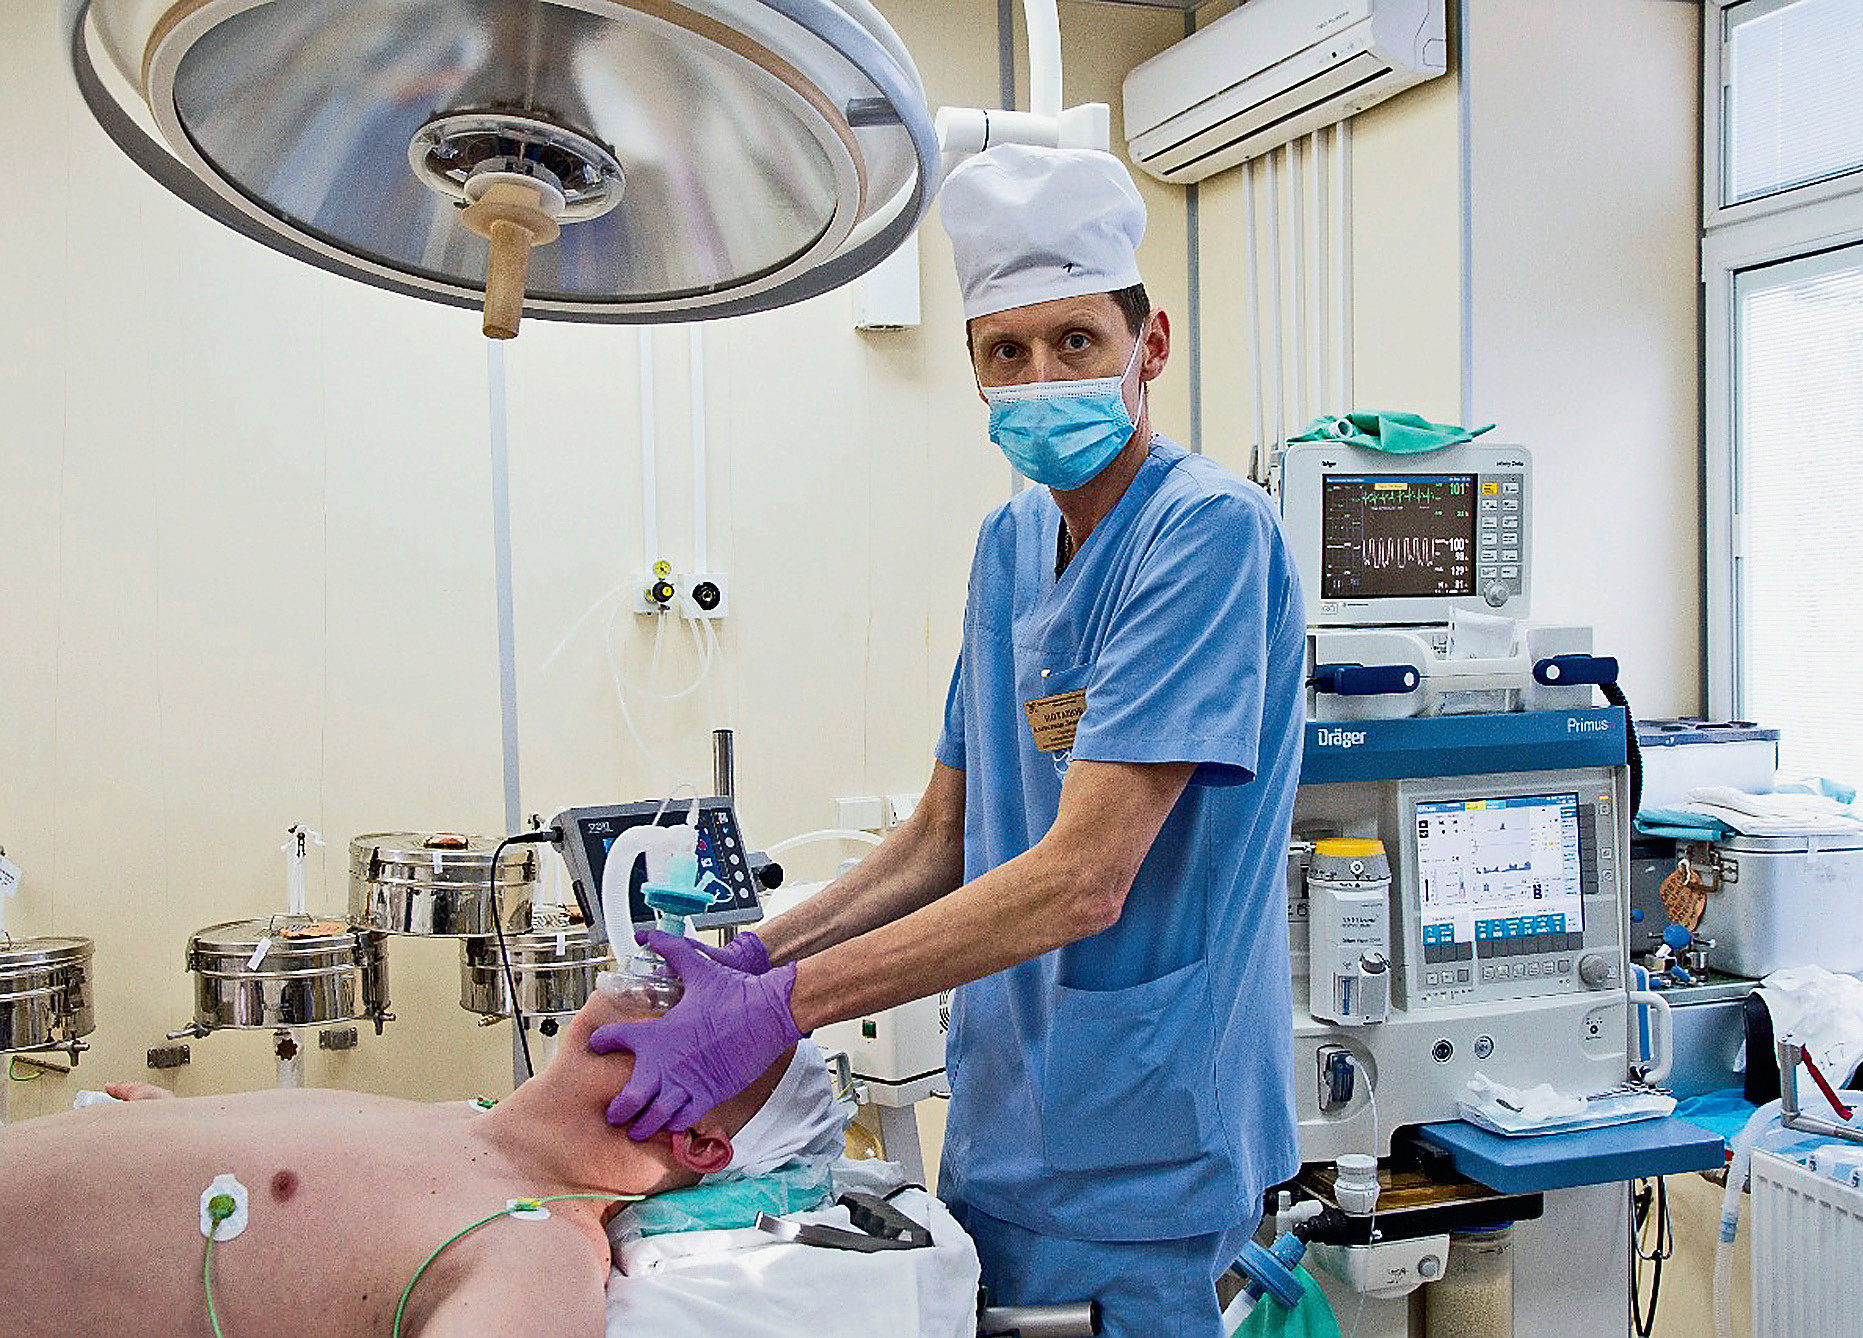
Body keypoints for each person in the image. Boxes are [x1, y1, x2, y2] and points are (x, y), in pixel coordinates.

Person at [592, 142, 1306, 1336]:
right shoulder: (1010, 544)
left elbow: (1085, 879)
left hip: (1152, 1134)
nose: (1041, 378)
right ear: (973, 370)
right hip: (1009, 1120)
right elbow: (943, 834)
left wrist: (784, 1008)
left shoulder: (1209, 536)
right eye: (1005, 352)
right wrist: (752, 960)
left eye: (1076, 341)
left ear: (1150, 345)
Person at [0, 991, 845, 1338]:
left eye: (712, 1025)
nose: (679, 986)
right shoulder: (454, 1121)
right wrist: (169, 1139)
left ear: (699, 1142)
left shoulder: (538, 1248)